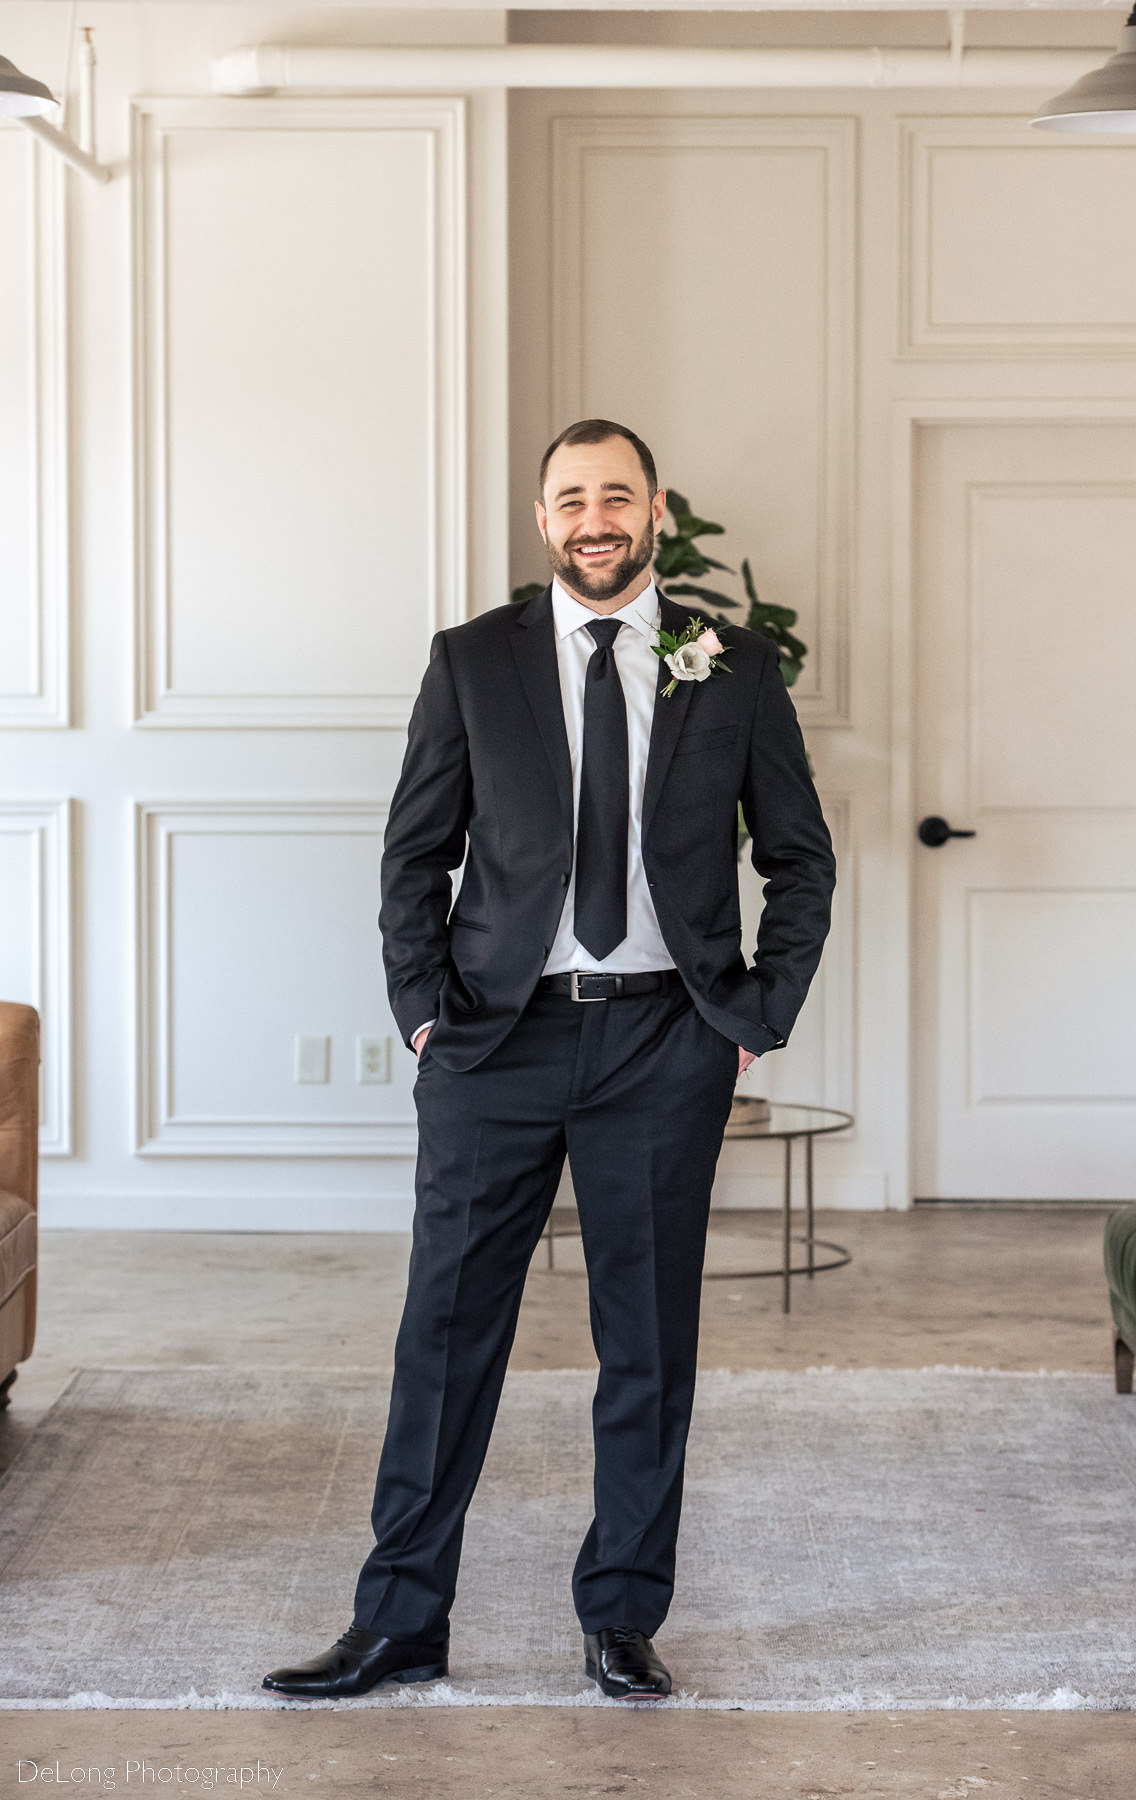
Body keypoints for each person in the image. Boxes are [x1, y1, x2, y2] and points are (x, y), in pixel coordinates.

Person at [262, 419, 835, 1702]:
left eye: (615, 496)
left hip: (661, 1041)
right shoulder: (472, 662)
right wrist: (423, 1014)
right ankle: (401, 1620)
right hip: (493, 1041)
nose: (594, 517)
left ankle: (621, 1617)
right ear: (540, 517)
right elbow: (414, 854)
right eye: (570, 497)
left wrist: (752, 1014)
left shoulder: (729, 667)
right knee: (445, 1336)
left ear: (653, 510)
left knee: (644, 1343)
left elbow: (798, 856)